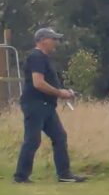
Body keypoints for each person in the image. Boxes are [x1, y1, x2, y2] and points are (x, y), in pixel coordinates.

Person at [15, 27, 85, 185]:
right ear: (43, 40)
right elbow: (38, 83)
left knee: (60, 136)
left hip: (46, 105)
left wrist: (63, 91)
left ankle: (64, 174)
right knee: (32, 140)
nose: (56, 42)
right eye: (53, 39)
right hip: (35, 104)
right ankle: (20, 176)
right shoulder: (36, 56)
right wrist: (60, 93)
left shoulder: (44, 58)